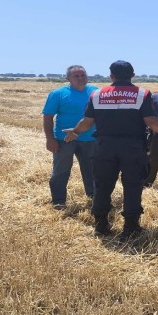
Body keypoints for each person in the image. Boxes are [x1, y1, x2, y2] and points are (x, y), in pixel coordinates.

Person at [63, 60, 158, 241]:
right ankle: (131, 228)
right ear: (132, 74)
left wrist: (75, 131)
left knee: (102, 186)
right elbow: (152, 122)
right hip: (133, 148)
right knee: (133, 187)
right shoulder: (142, 94)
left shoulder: (97, 94)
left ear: (111, 76)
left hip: (104, 147)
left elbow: (87, 122)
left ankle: (101, 225)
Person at [41, 65, 98, 209]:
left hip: (90, 139)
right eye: (76, 76)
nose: (80, 78)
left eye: (83, 75)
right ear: (68, 78)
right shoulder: (58, 94)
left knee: (92, 171)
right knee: (61, 170)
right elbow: (48, 117)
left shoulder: (96, 92)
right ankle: (59, 201)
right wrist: (50, 139)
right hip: (64, 140)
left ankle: (94, 198)